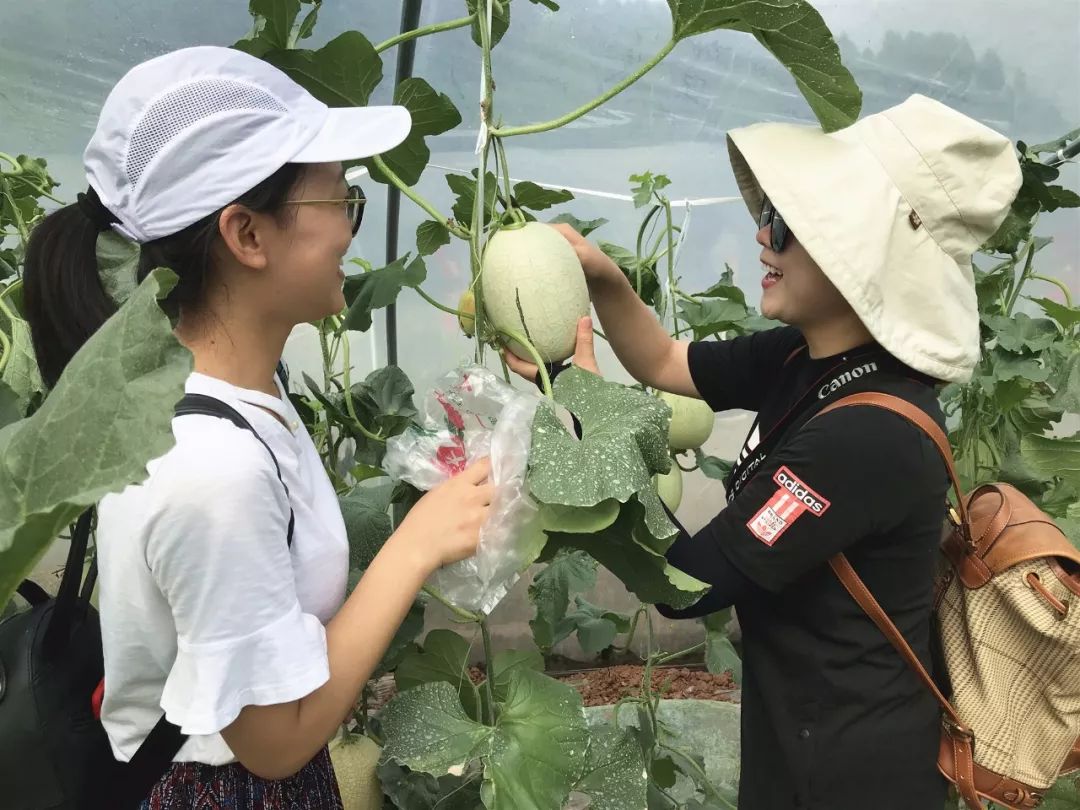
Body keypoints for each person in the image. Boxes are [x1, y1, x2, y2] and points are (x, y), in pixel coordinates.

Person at [504, 94, 1021, 809]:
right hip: (804, 732)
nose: (761, 235)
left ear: (856, 253)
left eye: (785, 223)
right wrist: (602, 280)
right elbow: (664, 361)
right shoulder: (805, 357)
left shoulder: (867, 438)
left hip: (849, 775)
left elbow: (687, 583)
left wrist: (586, 409)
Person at [23, 46, 493, 808]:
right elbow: (274, 741)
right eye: (339, 201)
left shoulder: (241, 391)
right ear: (246, 235)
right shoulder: (212, 469)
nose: (349, 231)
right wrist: (414, 546)